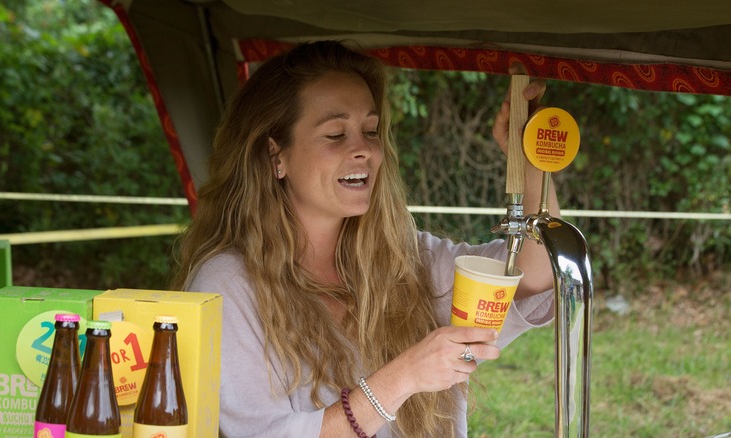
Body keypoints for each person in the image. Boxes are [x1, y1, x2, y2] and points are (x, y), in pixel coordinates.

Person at [170, 40, 557, 438]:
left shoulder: (402, 254)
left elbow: (538, 274)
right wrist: (404, 376)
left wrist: (529, 160)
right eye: (335, 134)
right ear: (275, 155)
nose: (364, 151)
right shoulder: (229, 284)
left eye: (370, 131)